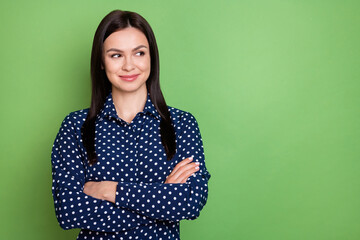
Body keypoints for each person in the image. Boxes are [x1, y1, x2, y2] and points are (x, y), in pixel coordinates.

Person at [51, 10, 211, 240]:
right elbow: (69, 212)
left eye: (139, 53)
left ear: (151, 58)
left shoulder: (182, 125)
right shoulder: (75, 127)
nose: (129, 65)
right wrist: (163, 197)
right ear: (101, 63)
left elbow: (190, 202)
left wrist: (109, 190)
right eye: (116, 55)